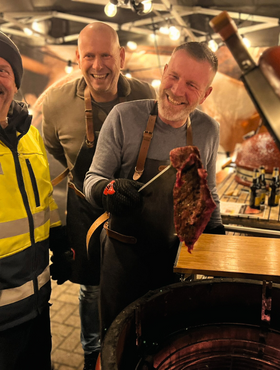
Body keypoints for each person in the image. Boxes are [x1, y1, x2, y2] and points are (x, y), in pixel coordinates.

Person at [83, 41, 225, 339]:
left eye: (191, 84)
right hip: (122, 258)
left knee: (164, 341)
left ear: (206, 93)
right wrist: (110, 189)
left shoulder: (208, 130)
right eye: (173, 76)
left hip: (175, 260)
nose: (176, 90)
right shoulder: (123, 117)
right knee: (116, 343)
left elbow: (208, 191)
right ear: (163, 71)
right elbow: (92, 179)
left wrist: (216, 233)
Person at [42, 22, 156, 369]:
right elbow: (53, 153)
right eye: (88, 56)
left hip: (130, 206)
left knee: (132, 279)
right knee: (90, 287)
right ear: (77, 57)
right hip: (85, 205)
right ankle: (92, 350)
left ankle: (129, 342)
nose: (98, 65)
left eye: (106, 55)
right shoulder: (57, 102)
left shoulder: (144, 94)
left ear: (121, 55)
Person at [0, 31, 64, 369]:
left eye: (3, 70)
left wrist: (61, 239)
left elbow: (43, 201)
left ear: (15, 82)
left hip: (37, 306)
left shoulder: (29, 134)